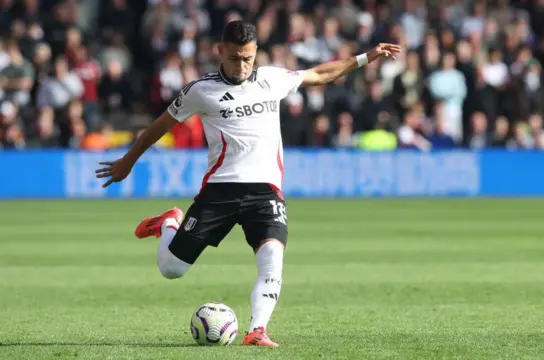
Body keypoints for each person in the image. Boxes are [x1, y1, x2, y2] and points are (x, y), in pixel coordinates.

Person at [95, 20, 401, 347]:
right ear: (220, 52)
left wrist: (366, 57)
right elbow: (160, 125)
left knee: (272, 259)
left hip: (266, 191)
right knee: (172, 269)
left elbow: (320, 73)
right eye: (236, 58)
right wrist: (128, 161)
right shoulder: (200, 90)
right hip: (220, 190)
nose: (242, 66)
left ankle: (257, 330)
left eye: (248, 58)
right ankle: (170, 221)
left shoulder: (272, 78)